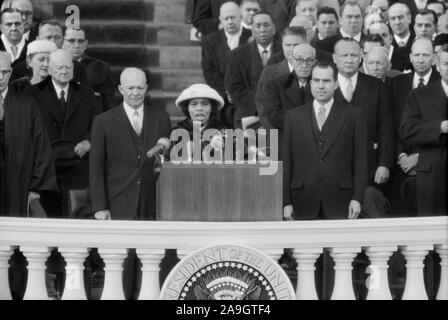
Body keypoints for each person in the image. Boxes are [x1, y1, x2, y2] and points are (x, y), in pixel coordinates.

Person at [89, 67, 171, 299]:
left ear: (147, 88)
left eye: (140, 88)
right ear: (120, 89)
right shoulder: (103, 121)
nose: (136, 93)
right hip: (117, 203)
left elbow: (166, 163)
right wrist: (100, 207)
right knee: (121, 268)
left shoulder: (161, 118)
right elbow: (95, 168)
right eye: (131, 88)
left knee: (151, 266)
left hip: (151, 203)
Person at [0, 51, 56, 300]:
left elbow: (42, 146)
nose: (0, 77)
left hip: (18, 187)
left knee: (14, 247)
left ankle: (12, 290)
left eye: (4, 72)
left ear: (10, 73)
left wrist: (34, 188)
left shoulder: (26, 104)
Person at [282, 61, 368, 220]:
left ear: (336, 84)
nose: (321, 86)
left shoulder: (354, 115)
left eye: (326, 81)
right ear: (310, 83)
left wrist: (357, 198)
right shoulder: (293, 117)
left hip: (342, 200)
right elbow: (287, 162)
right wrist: (286, 202)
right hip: (302, 199)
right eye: (316, 80)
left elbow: (361, 161)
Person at [25, 49, 99, 218]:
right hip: (46, 169)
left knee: (77, 220)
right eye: (59, 68)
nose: (64, 71)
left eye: (68, 67)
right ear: (49, 69)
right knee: (48, 223)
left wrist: (88, 141)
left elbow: (97, 125)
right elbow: (27, 131)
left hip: (77, 167)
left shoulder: (86, 94)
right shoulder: (32, 94)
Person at [333, 37, 394, 218]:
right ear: (334, 58)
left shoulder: (375, 85)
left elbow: (386, 128)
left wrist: (384, 164)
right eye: (344, 55)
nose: (349, 59)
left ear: (361, 57)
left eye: (354, 55)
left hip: (370, 167)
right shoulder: (323, 84)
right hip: (334, 168)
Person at [399, 43, 448, 217]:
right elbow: (407, 130)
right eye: (446, 64)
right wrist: (440, 127)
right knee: (431, 231)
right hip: (431, 173)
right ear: (438, 65)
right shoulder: (419, 95)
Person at [225, 12, 281, 128]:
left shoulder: (284, 52)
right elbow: (234, 87)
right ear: (252, 31)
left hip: (279, 111)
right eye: (258, 26)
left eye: (266, 25)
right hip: (248, 111)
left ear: (274, 29)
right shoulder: (237, 55)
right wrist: (259, 107)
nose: (262, 29)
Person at [201, 1, 251, 127]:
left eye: (233, 17)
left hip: (247, 99)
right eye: (226, 18)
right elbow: (209, 72)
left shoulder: (251, 37)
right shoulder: (210, 41)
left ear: (240, 16)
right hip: (222, 100)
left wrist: (239, 93)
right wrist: (226, 93)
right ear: (220, 20)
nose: (229, 21)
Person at [62, 27, 115, 113]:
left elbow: (109, 104)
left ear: (86, 44)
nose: (76, 45)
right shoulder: (51, 66)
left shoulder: (100, 68)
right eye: (71, 41)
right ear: (62, 43)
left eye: (80, 41)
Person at [172, 83, 225, 159]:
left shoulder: (223, 132)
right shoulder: (177, 133)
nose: (199, 108)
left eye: (205, 104)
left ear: (212, 108)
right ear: (187, 108)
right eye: (194, 104)